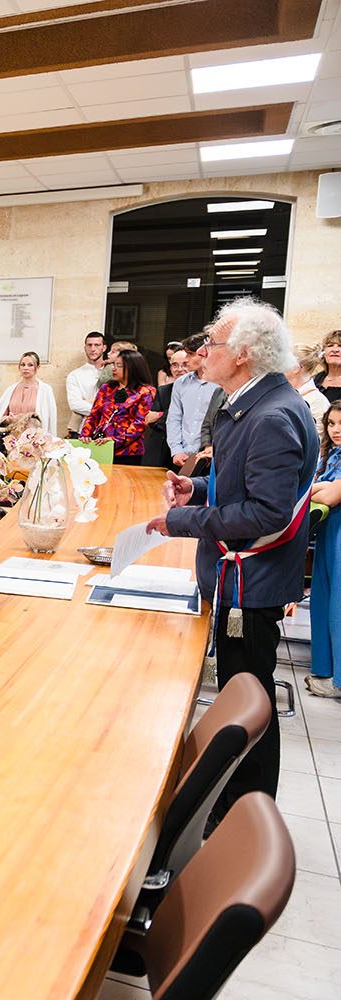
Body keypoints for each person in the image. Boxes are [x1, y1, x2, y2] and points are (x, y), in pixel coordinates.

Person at [149, 298, 320, 818]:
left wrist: (181, 522)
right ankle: (235, 800)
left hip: (254, 583)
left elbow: (266, 513)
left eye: (213, 344)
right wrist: (198, 490)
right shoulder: (250, 403)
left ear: (243, 353)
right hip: (241, 577)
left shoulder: (270, 414)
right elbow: (238, 485)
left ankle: (245, 812)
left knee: (248, 701)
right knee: (237, 696)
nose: (204, 352)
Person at [306, 401, 341, 699]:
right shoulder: (330, 454)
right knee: (323, 598)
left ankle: (339, 680)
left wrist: (316, 489)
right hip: (329, 532)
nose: (336, 429)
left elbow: (327, 494)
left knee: (339, 605)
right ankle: (324, 669)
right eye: (331, 424)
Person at [83, 348, 155, 464]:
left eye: (119, 365)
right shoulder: (106, 388)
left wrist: (114, 441)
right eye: (113, 364)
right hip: (100, 446)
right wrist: (85, 436)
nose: (114, 368)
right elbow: (93, 415)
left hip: (128, 452)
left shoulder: (146, 391)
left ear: (132, 368)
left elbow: (139, 423)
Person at [168, 331, 222, 471]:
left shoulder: (220, 383)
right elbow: (174, 418)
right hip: (184, 455)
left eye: (190, 354)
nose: (185, 359)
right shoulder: (180, 383)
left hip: (211, 455)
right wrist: (176, 450)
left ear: (205, 353)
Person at [142, 349, 185, 469]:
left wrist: (160, 415)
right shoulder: (164, 391)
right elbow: (152, 421)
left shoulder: (200, 391)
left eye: (184, 364)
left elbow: (187, 418)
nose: (179, 369)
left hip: (185, 451)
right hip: (162, 447)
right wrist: (164, 417)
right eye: (174, 365)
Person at [0, 352, 57, 432]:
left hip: (34, 436)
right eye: (23, 365)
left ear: (37, 367)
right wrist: (8, 419)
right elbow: (1, 416)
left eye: (30, 365)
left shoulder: (45, 390)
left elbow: (50, 418)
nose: (26, 368)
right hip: (12, 435)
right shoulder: (10, 389)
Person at [65, 331, 109, 435]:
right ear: (85, 348)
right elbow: (75, 404)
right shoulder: (75, 375)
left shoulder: (114, 371)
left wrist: (90, 404)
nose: (93, 349)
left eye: (97, 345)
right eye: (89, 345)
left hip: (110, 430)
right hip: (83, 430)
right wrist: (105, 410)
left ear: (104, 348)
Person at [315, 329, 341, 403]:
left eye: (340, 346)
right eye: (330, 345)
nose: (335, 350)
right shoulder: (314, 380)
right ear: (323, 352)